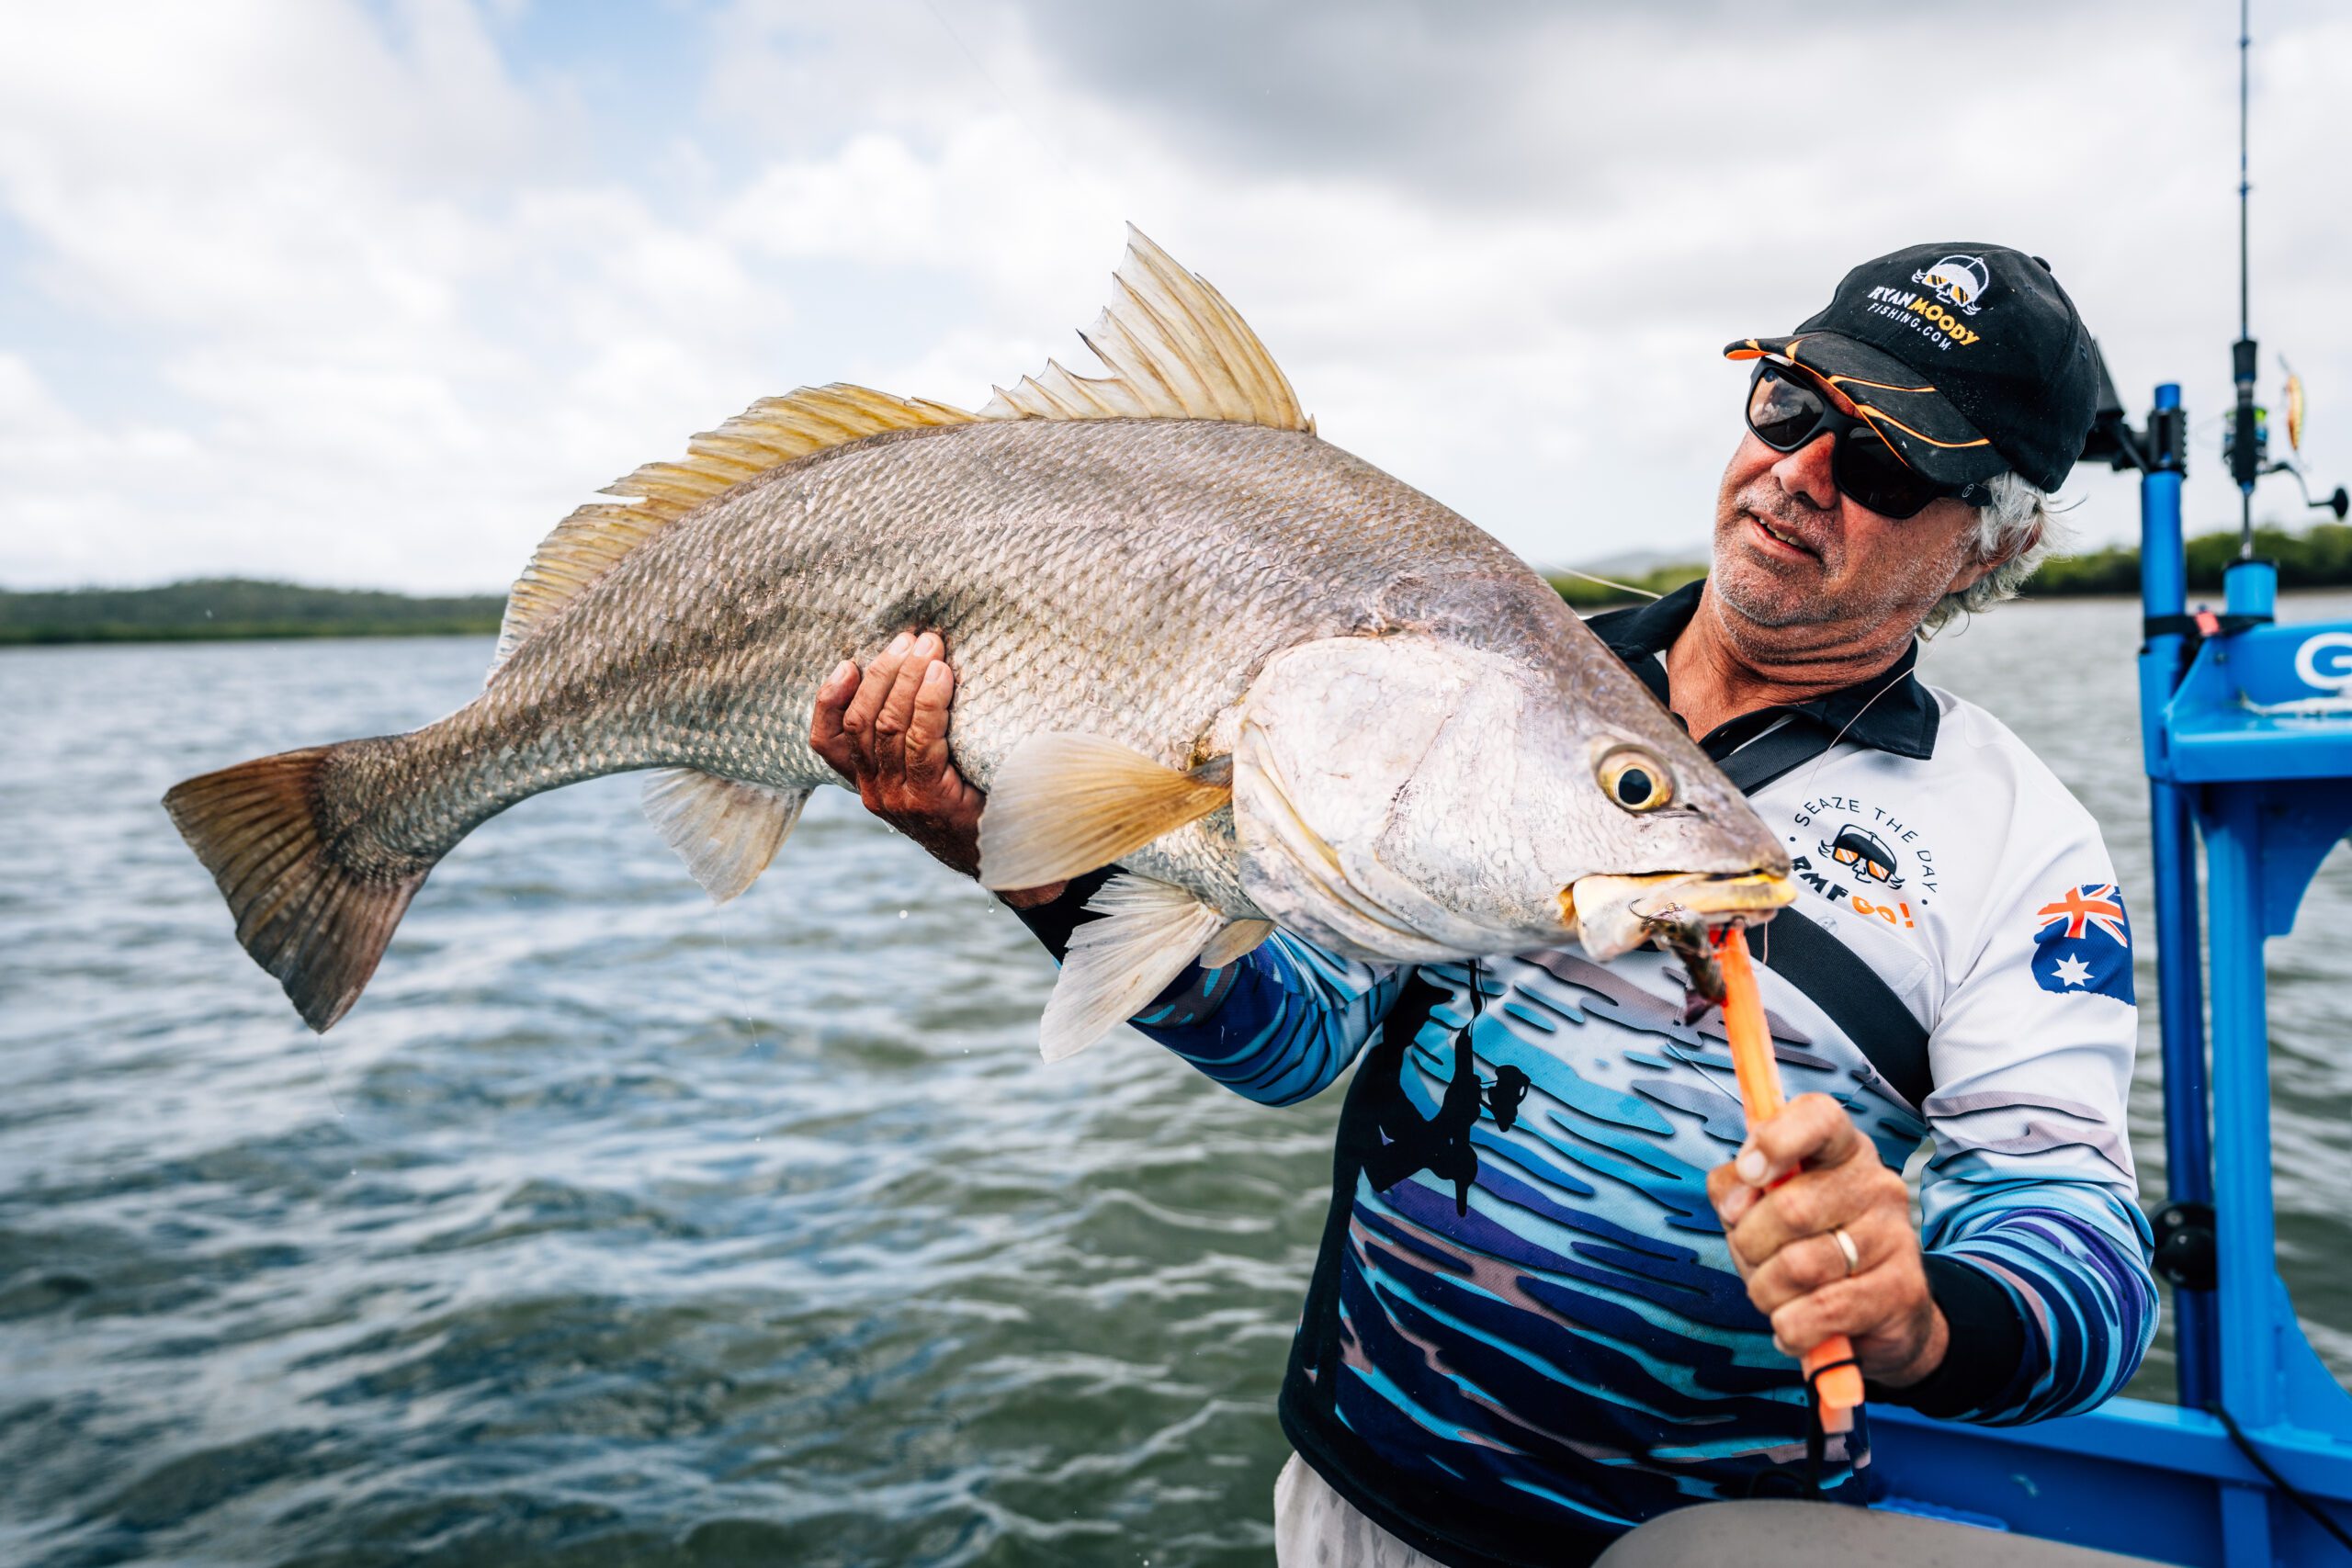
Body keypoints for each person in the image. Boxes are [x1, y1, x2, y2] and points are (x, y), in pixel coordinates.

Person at [808, 243, 2158, 1566]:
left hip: (1695, 1538)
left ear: (1994, 545)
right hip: (1356, 1494)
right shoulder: (1495, 665)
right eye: (1791, 406)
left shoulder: (2018, 841)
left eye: (1881, 461)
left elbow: (2087, 1261)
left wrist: (1919, 1314)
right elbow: (1298, 1040)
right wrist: (1047, 878)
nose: (1798, 474)